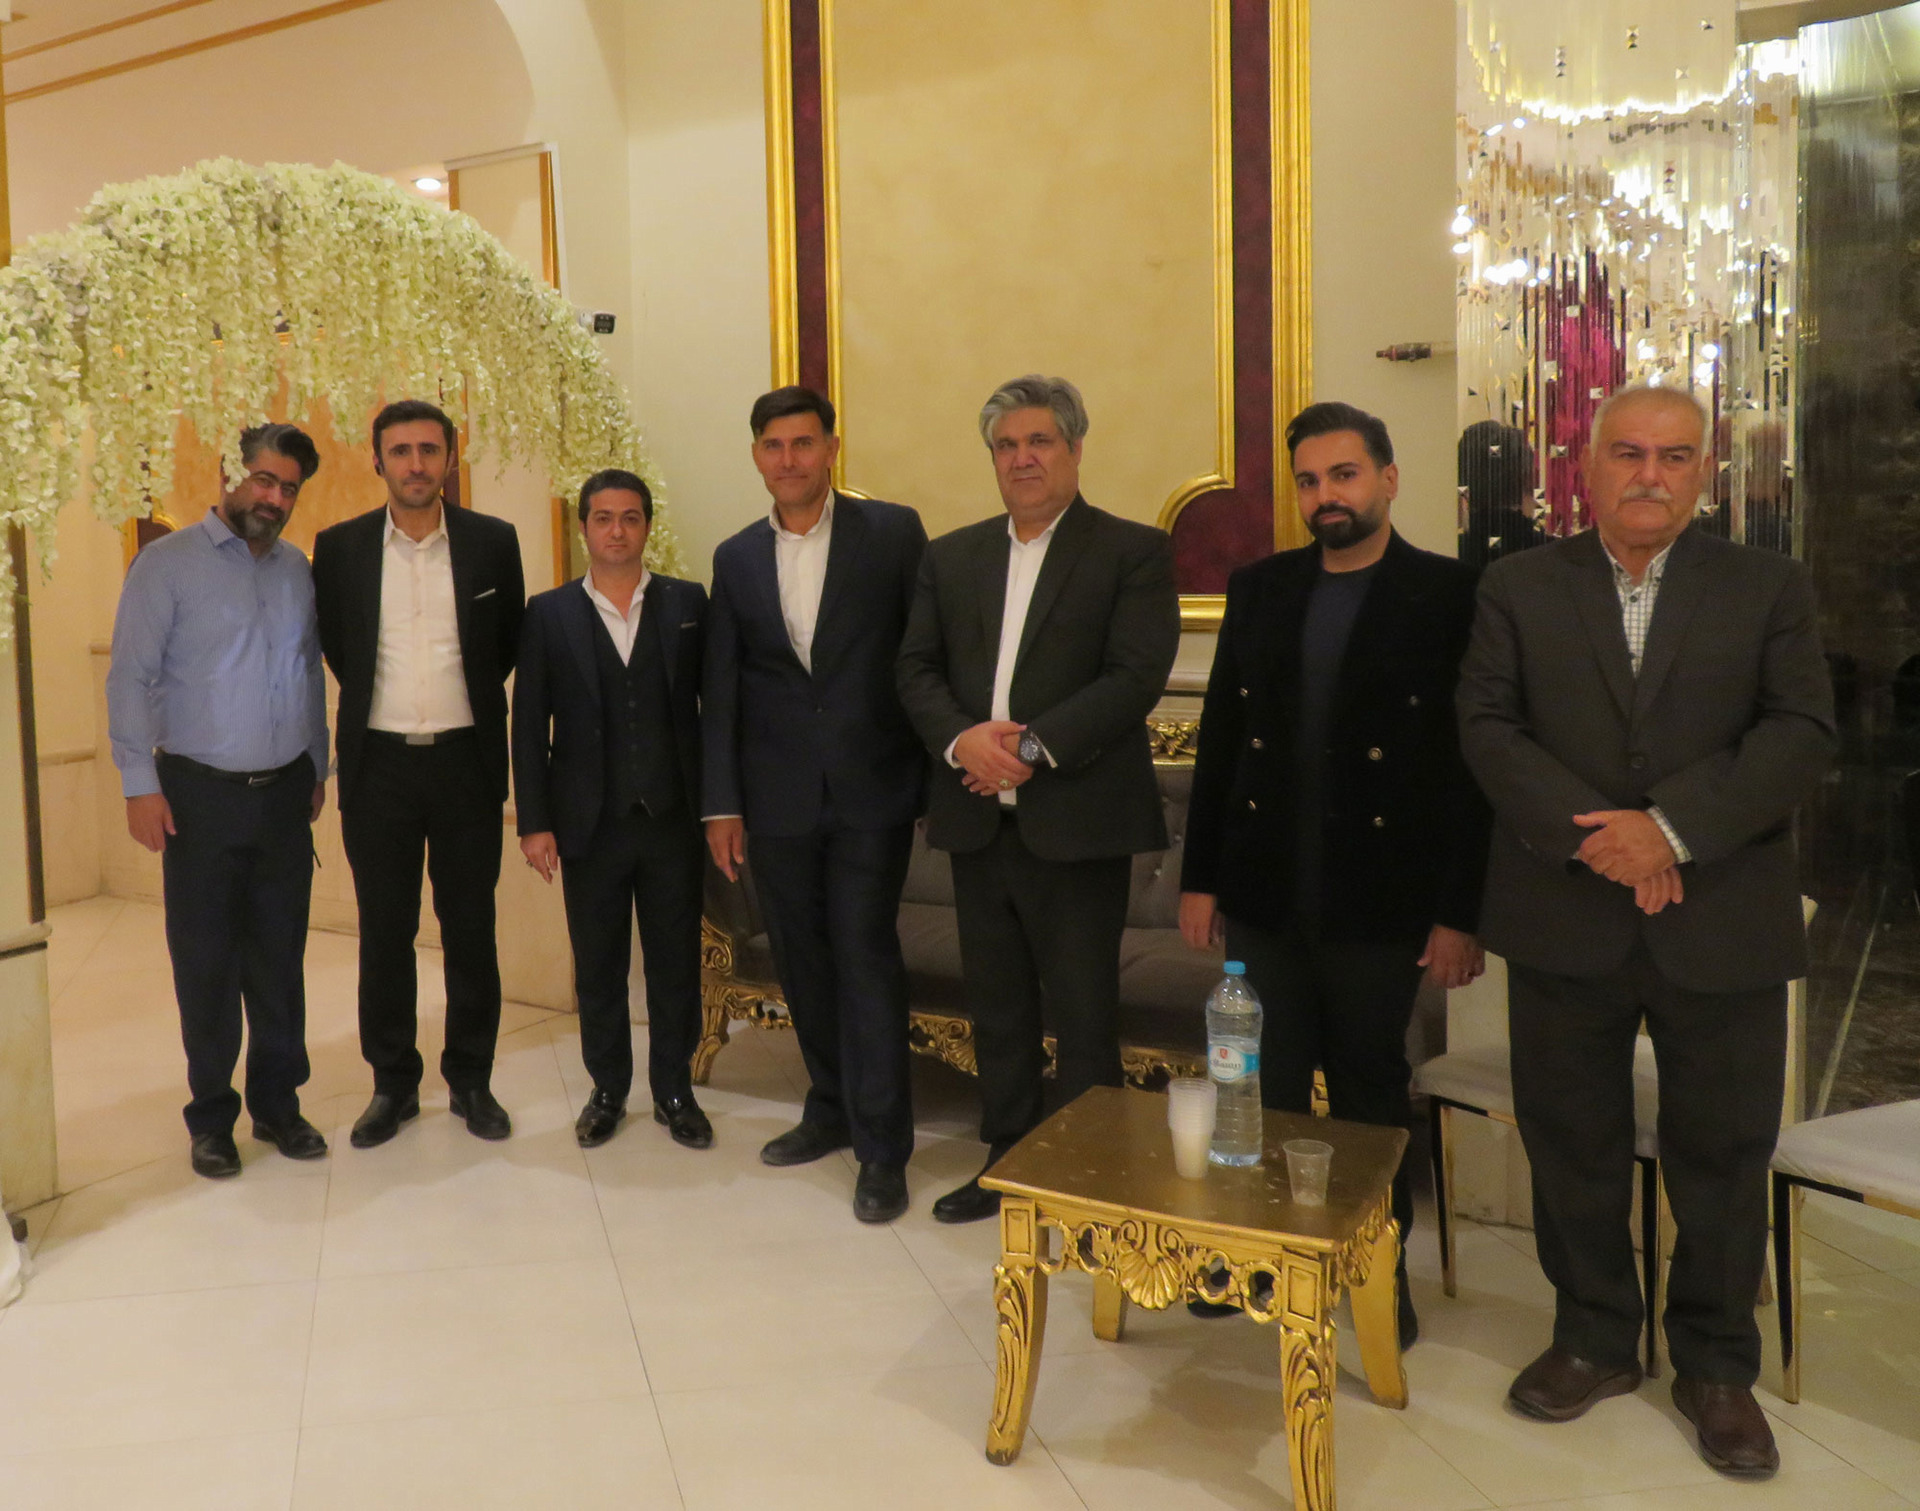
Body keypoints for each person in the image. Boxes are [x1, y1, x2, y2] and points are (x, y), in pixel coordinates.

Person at [1457, 383, 1834, 1476]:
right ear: (1585, 466)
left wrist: (1667, 830)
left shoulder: (1768, 586)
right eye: (1627, 452)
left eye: (1674, 456)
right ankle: (1592, 1336)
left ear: (1704, 472)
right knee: (1570, 1137)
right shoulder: (1519, 585)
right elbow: (1487, 724)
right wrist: (1603, 840)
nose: (1650, 474)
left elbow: (1800, 730)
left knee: (1721, 1149)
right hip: (1566, 913)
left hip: (1722, 916)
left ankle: (1716, 1366)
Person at [1179, 401, 1490, 1344]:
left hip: (1382, 895)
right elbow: (1223, 738)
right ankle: (1255, 1254)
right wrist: (1201, 878)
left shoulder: (1451, 594)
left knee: (1367, 1089)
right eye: (1309, 481)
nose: (1327, 496)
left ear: (1387, 478)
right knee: (1255, 1086)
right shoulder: (1261, 587)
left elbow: (1471, 769)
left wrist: (1460, 913)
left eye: (1344, 475)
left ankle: (1374, 1271)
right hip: (1267, 887)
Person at [897, 374, 1180, 1224]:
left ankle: (1085, 1178)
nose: (1022, 458)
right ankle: (1008, 1161)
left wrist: (1024, 749)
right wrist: (964, 742)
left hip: (1079, 823)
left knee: (1084, 1011)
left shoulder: (1131, 551)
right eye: (1006, 445)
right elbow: (914, 668)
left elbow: (1134, 675)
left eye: (1039, 441)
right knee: (999, 1009)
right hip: (977, 821)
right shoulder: (952, 556)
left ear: (1075, 448)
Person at [703, 386, 929, 1223]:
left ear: (832, 448)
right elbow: (723, 687)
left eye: (804, 442)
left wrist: (933, 776)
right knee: (801, 959)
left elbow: (924, 655)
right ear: (757, 456)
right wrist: (722, 804)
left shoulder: (892, 533)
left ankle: (884, 1148)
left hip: (873, 788)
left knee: (864, 954)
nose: (789, 458)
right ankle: (830, 1105)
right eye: (774, 445)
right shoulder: (735, 558)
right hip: (778, 799)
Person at [106, 423, 331, 1178]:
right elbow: (130, 677)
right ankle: (211, 1118)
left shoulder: (296, 570)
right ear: (232, 475)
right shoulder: (165, 565)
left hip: (283, 795)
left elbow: (307, 673)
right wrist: (139, 782)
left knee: (279, 959)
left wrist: (317, 764)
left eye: (289, 488)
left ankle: (278, 1105)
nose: (275, 498)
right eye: (264, 480)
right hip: (197, 795)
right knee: (206, 963)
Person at [312, 399, 526, 1148]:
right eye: (400, 451)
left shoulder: (493, 542)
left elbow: (503, 645)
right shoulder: (338, 548)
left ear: (449, 459)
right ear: (377, 460)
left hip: (467, 763)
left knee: (471, 929)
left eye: (428, 450)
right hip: (379, 767)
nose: (415, 464)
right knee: (385, 932)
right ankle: (393, 1084)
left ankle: (471, 1079)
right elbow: (340, 647)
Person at [512, 470, 711, 1150]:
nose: (617, 530)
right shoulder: (549, 613)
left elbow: (714, 712)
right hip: (586, 824)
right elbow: (528, 723)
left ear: (647, 526)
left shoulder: (687, 602)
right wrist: (534, 821)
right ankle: (607, 1089)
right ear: (584, 528)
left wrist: (719, 809)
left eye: (630, 517)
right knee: (598, 964)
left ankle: (675, 1090)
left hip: (672, 819)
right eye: (603, 518)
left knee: (674, 963)